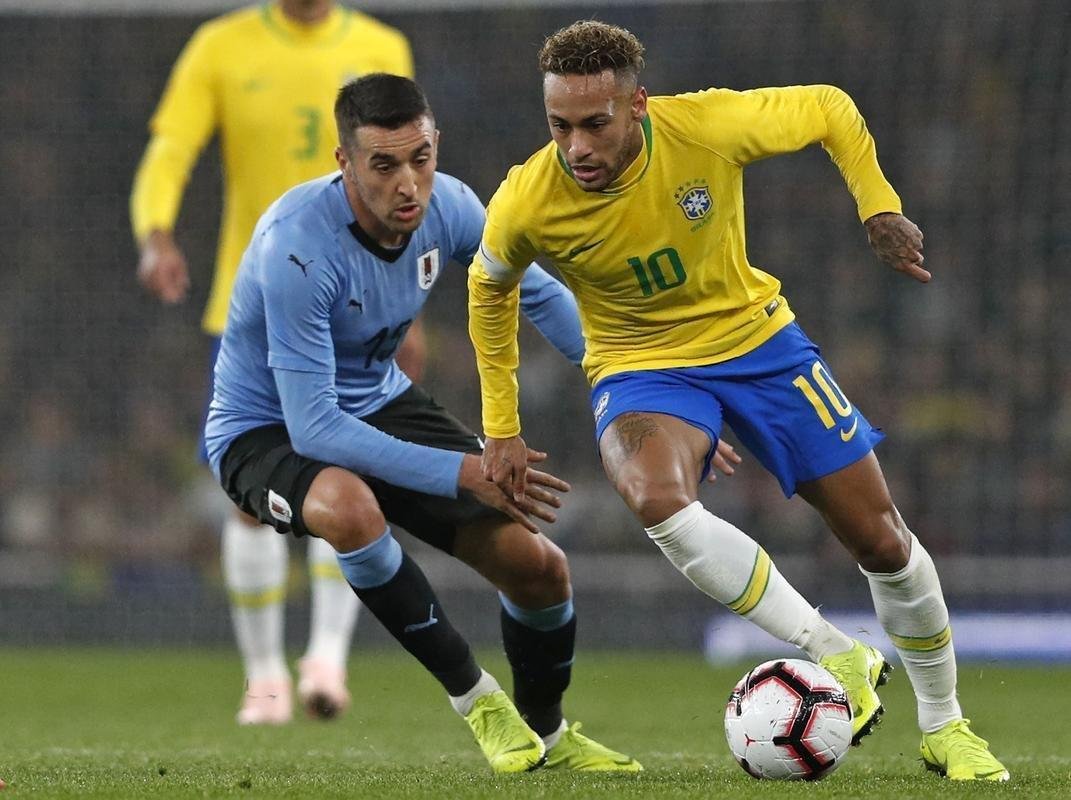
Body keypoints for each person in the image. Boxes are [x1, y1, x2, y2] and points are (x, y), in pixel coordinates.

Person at [467, 20, 1009, 782]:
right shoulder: (527, 198)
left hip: (756, 343)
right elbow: (488, 289)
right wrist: (500, 427)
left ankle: (943, 725)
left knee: (880, 540)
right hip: (638, 365)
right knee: (654, 497)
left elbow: (827, 107)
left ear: (638, 106)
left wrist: (877, 205)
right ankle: (834, 652)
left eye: (595, 123)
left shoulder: (707, 127)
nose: (576, 147)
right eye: (560, 126)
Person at [203, 72, 641, 773]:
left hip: (379, 401)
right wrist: (464, 470)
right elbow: (313, 430)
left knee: (538, 568)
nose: (408, 184)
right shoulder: (297, 248)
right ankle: (479, 701)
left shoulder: (452, 207)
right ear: (345, 163)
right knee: (349, 507)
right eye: (384, 165)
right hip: (267, 428)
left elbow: (536, 293)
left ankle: (549, 736)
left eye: (421, 158)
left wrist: (632, 384)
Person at [129, 0, 415, 725]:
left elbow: (407, 181)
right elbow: (170, 148)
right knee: (247, 497)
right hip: (251, 303)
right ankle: (263, 678)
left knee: (349, 477)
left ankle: (326, 659)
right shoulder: (220, 46)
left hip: (354, 305)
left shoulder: (382, 45)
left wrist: (410, 297)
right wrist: (156, 232)